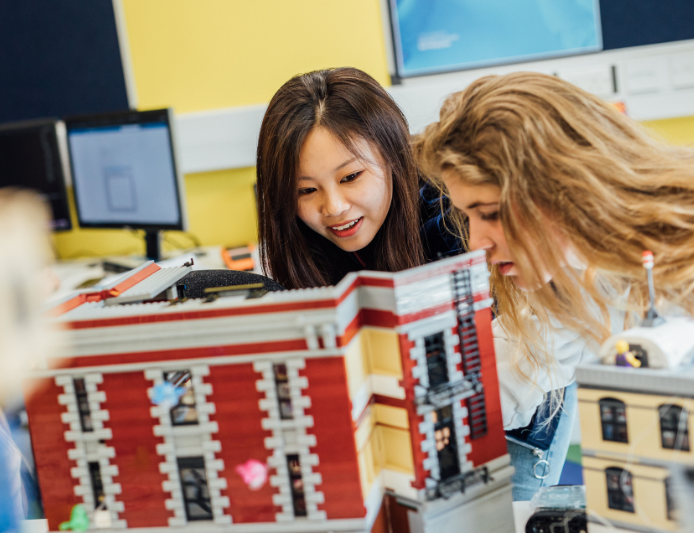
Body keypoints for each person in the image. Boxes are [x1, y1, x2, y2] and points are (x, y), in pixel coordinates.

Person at [414, 71, 694, 499]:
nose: (476, 242)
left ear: (561, 186)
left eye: (490, 212)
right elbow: (509, 370)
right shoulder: (574, 276)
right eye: (468, 216)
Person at [256, 67, 460, 289]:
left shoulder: (452, 213)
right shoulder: (301, 242)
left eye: (350, 177)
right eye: (306, 190)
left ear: (394, 156)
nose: (334, 208)